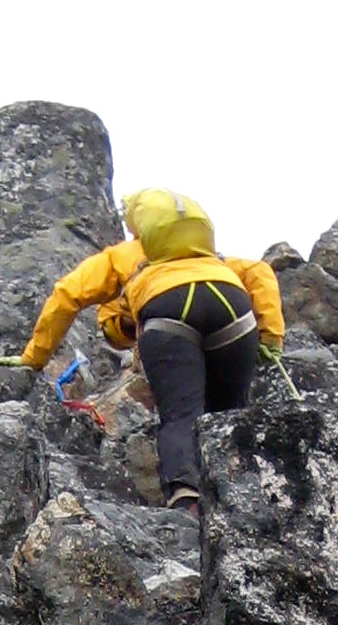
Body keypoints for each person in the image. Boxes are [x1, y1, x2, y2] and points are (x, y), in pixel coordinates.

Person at [15, 188, 285, 508]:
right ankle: (247, 501)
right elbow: (260, 272)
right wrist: (271, 337)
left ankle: (187, 498)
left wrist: (32, 359)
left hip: (167, 311)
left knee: (180, 416)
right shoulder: (211, 257)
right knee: (232, 416)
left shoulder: (119, 257)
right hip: (232, 305)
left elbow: (66, 294)